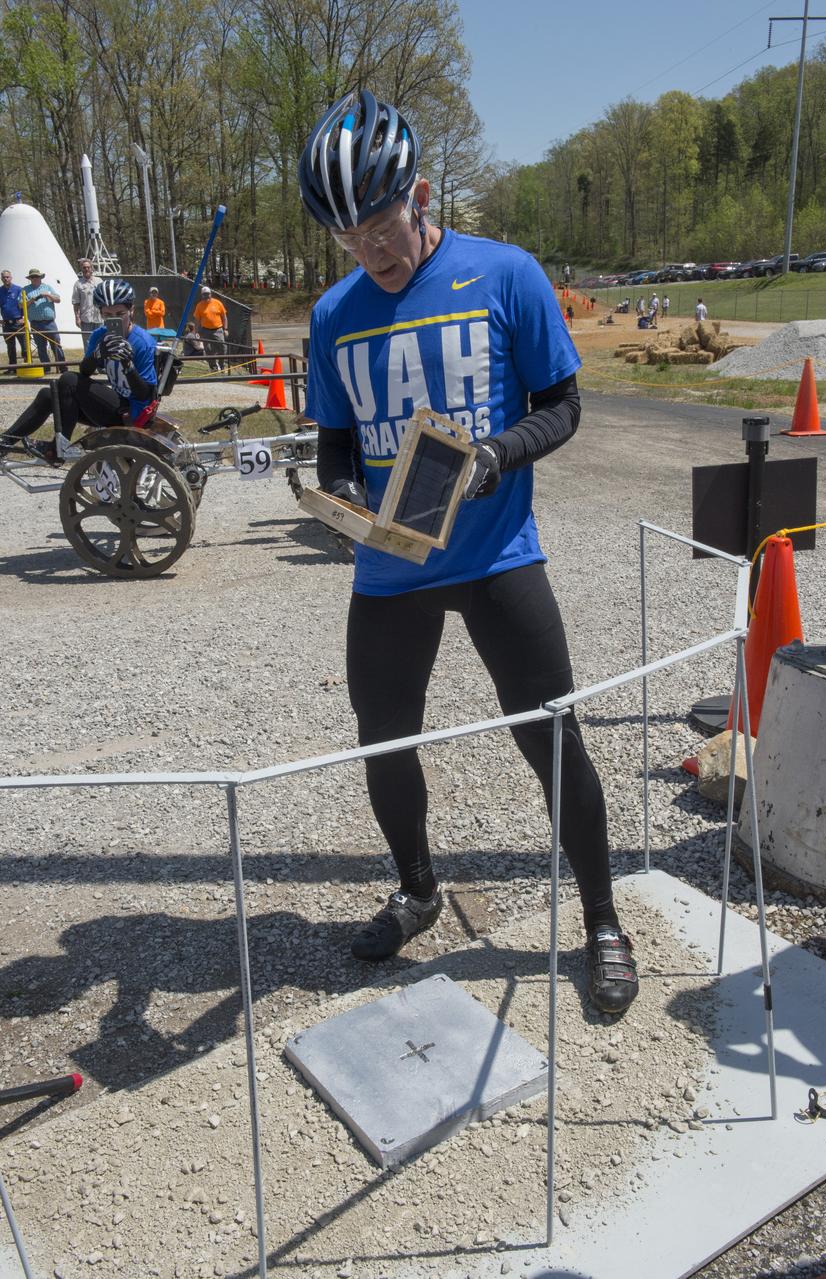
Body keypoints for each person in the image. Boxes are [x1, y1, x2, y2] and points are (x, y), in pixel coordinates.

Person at [298, 88, 639, 1016]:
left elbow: (562, 404)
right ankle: (417, 890)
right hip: (389, 568)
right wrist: (339, 498)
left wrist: (497, 454)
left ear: (418, 191)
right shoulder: (333, 313)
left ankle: (603, 919)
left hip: (496, 556)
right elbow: (332, 442)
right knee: (385, 743)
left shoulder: (506, 273)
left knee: (550, 738)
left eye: (379, 219)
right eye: (348, 232)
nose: (371, 245)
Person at [0, 279, 158, 463]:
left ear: (132, 311)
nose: (114, 319)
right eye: (107, 314)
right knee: (48, 395)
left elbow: (145, 394)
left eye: (120, 313)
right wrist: (98, 354)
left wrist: (127, 364)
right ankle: (5, 442)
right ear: (100, 313)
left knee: (67, 378)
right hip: (115, 404)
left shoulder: (142, 341)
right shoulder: (100, 335)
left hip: (133, 412)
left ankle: (61, 449)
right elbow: (84, 371)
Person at [23, 269, 66, 372]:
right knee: (41, 347)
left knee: (56, 344)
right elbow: (21, 305)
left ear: (40, 277)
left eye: (36, 276)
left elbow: (58, 300)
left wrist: (48, 295)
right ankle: (46, 369)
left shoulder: (48, 287)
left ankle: (63, 367)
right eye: (33, 277)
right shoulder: (25, 290)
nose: (35, 278)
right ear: (30, 279)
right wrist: (32, 300)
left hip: (49, 322)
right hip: (35, 323)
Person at [193, 285, 228, 371]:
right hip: (205, 330)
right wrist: (196, 331)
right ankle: (213, 367)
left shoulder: (218, 303)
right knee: (208, 350)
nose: (206, 296)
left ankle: (222, 365)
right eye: (204, 294)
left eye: (207, 294)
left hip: (218, 330)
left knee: (223, 348)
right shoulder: (199, 305)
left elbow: (224, 317)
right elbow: (197, 320)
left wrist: (225, 329)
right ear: (202, 295)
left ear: (211, 294)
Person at [0, 269, 29, 366]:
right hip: (7, 324)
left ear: (11, 278)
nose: (5, 279)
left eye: (7, 277)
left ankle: (27, 365)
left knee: (25, 346)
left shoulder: (18, 289)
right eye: (3, 277)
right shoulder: (0, 291)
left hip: (19, 322)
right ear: (1, 278)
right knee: (10, 347)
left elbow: (25, 304)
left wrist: (24, 317)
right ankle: (13, 367)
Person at [72, 259, 101, 344]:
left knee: (100, 342)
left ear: (92, 268)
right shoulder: (78, 284)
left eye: (88, 267)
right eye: (84, 267)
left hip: (99, 318)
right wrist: (77, 318)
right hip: (86, 319)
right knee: (88, 344)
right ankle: (89, 358)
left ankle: (100, 358)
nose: (86, 269)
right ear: (81, 269)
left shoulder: (99, 281)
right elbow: (76, 303)